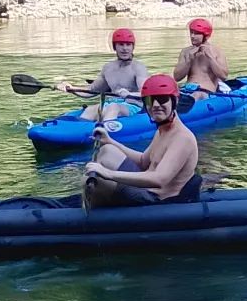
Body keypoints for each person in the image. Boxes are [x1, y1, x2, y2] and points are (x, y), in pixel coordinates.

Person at [83, 74, 202, 206]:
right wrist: (110, 141)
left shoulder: (182, 138)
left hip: (156, 200)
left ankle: (91, 215)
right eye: (150, 100)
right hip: (145, 190)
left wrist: (108, 174)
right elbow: (143, 162)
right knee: (107, 150)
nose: (156, 105)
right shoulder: (163, 130)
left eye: (162, 99)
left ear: (175, 101)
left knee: (98, 180)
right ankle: (91, 202)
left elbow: (160, 179)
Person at [58, 27, 151, 107]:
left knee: (113, 108)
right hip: (111, 105)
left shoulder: (139, 68)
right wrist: (71, 88)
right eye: (121, 44)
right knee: (91, 110)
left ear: (132, 47)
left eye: (128, 44)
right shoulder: (108, 68)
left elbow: (147, 93)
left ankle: (101, 126)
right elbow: (92, 90)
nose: (125, 48)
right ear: (114, 47)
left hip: (134, 108)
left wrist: (129, 94)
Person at [174, 18, 232, 95]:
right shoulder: (185, 51)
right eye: (191, 32)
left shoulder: (217, 52)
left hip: (206, 92)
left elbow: (224, 76)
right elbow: (177, 77)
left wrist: (210, 57)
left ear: (206, 36)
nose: (192, 36)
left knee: (197, 95)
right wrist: (189, 60)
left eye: (196, 33)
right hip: (188, 90)